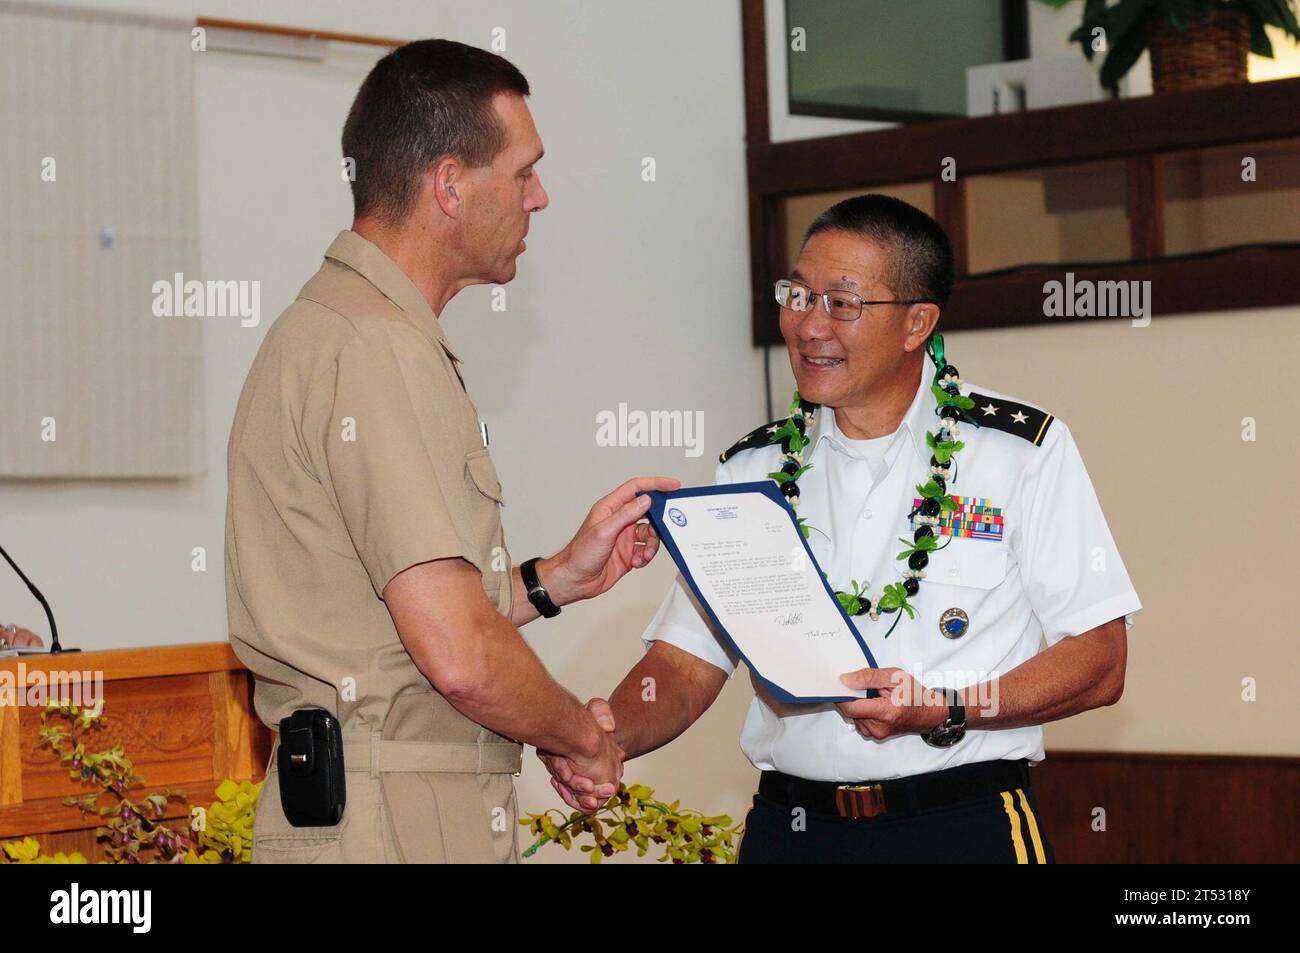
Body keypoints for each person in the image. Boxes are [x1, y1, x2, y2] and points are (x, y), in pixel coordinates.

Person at [542, 194, 1139, 864]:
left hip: (961, 822)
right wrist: (604, 738)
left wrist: (945, 706)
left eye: (842, 303)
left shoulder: (1016, 452)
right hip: (793, 829)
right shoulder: (753, 466)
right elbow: (687, 661)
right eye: (796, 295)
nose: (808, 325)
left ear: (918, 322)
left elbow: (1100, 658)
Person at [226, 38, 669, 864]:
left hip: (360, 806)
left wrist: (554, 579)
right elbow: (458, 656)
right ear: (451, 185)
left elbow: (394, 623)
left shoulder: (328, 328)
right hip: (397, 817)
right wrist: (582, 734)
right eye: (524, 170)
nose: (540, 197)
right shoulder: (377, 348)